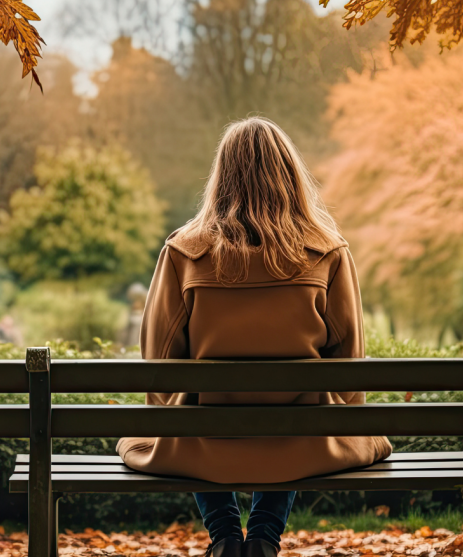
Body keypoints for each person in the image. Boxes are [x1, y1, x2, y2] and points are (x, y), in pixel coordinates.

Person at [117, 118, 391, 557]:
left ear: (221, 177)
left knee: (167, 427)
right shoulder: (328, 251)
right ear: (290, 175)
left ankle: (225, 534)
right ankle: (263, 536)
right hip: (304, 445)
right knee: (309, 421)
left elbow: (159, 366)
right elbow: (349, 368)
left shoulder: (183, 252)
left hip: (201, 445)